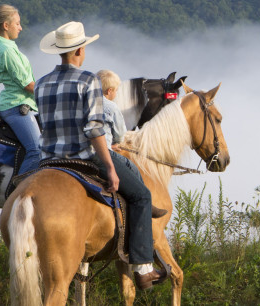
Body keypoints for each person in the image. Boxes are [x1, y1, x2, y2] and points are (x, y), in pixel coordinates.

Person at [33, 21, 166, 290]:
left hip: (47, 160)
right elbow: (94, 131)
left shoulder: (42, 83)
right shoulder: (88, 80)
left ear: (59, 51)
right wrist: (110, 167)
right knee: (141, 195)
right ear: (80, 50)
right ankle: (142, 268)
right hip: (83, 157)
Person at [0, 4, 42, 176]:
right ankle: (18, 194)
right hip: (17, 106)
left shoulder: (6, 46)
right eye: (17, 23)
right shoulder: (7, 50)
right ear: (6, 26)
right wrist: (50, 92)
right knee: (37, 150)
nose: (21, 27)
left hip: (19, 103)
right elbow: (28, 85)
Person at [97, 69, 127, 150]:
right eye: (116, 90)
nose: (116, 93)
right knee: (128, 163)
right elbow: (120, 136)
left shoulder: (84, 102)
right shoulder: (112, 107)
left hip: (83, 150)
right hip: (103, 151)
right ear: (109, 91)